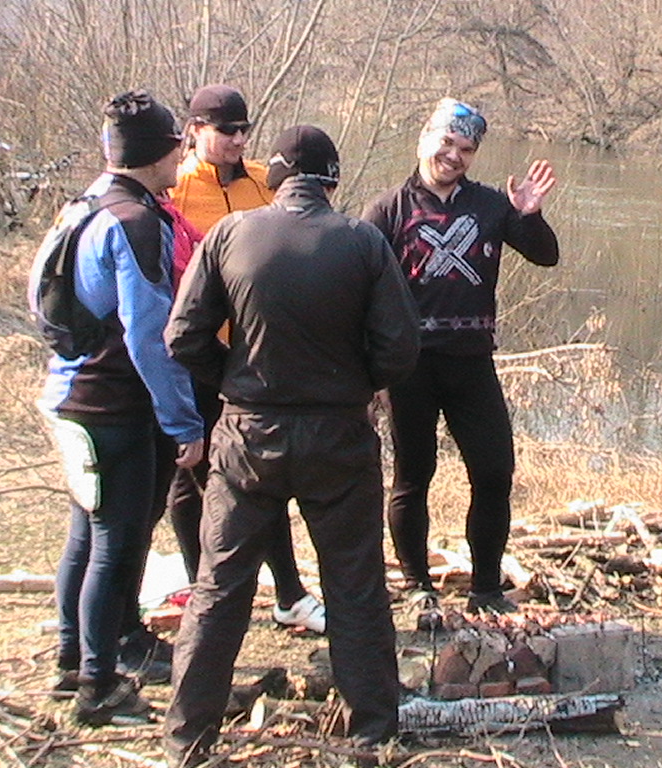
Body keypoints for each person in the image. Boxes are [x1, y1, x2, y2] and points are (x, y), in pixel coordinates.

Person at [162, 124, 420, 768]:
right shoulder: (362, 242)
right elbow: (401, 348)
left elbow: (182, 336)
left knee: (219, 588)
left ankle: (187, 740)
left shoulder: (229, 235)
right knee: (355, 585)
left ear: (274, 178)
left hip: (249, 435)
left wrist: (235, 380)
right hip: (338, 436)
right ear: (332, 181)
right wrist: (357, 384)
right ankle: (372, 735)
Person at [36, 90, 204, 726]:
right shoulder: (135, 221)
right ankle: (98, 687)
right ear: (155, 154)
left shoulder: (82, 205)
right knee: (116, 542)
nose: (181, 157)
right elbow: (148, 335)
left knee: (86, 532)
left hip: (71, 393)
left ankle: (72, 659)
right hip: (112, 407)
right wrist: (183, 422)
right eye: (175, 148)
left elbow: (44, 298)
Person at [361, 97, 559, 625]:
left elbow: (545, 256)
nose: (454, 156)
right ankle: (417, 585)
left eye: (466, 149)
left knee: (494, 472)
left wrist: (529, 215)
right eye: (447, 143)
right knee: (413, 475)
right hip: (410, 366)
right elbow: (362, 293)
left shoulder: (490, 205)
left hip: (471, 362)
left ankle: (486, 587)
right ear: (424, 138)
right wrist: (370, 371)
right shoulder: (387, 210)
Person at [167, 84, 325, 633]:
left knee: (263, 475)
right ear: (195, 130)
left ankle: (289, 594)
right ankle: (202, 587)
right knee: (190, 478)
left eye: (244, 130)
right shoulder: (176, 190)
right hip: (197, 355)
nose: (238, 140)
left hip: (258, 354)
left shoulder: (265, 182)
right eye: (226, 130)